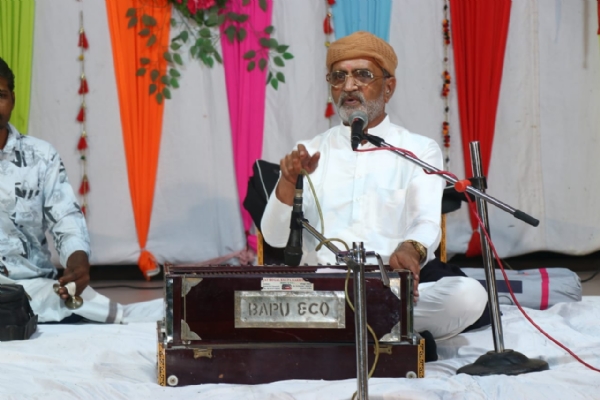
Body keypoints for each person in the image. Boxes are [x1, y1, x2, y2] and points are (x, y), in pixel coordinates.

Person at [261, 31, 489, 343]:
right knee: (255, 300)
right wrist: (288, 182)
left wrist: (411, 248)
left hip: (390, 285)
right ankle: (380, 330)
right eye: (338, 76)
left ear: (389, 86)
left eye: (362, 75)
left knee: (469, 296)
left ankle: (344, 328)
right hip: (323, 286)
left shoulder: (418, 149)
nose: (349, 85)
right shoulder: (309, 150)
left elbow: (425, 220)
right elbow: (274, 237)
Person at [0, 56, 93, 318]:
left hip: (32, 288)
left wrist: (77, 257)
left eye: (0, 95)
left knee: (110, 316)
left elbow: (64, 216)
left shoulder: (41, 156)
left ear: (13, 99)